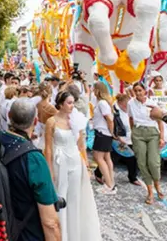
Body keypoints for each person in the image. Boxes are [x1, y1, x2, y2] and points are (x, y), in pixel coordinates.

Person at [0, 98, 61, 241]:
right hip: (25, 232)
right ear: (35, 121)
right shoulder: (34, 159)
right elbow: (50, 222)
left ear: (9, 116)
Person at [44, 91, 102, 241]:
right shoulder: (51, 121)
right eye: (69, 103)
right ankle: (61, 234)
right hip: (59, 160)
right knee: (61, 194)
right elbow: (48, 148)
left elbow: (81, 145)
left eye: (73, 102)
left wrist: (87, 166)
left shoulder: (76, 119)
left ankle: (74, 234)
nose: (72, 106)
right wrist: (49, 169)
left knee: (75, 197)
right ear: (61, 104)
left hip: (75, 160)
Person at [129, 82, 165, 204]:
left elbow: (160, 121)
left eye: (140, 90)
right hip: (138, 132)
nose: (138, 93)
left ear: (145, 90)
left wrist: (162, 137)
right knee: (142, 162)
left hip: (152, 132)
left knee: (153, 162)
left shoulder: (152, 104)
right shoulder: (130, 103)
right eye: (136, 90)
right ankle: (150, 192)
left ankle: (157, 184)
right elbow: (130, 118)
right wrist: (133, 132)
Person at [95, 92, 139, 186]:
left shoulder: (129, 110)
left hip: (129, 138)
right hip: (117, 138)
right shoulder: (114, 110)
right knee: (113, 158)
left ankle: (133, 177)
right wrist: (117, 137)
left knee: (132, 158)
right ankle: (98, 173)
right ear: (121, 104)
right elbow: (112, 124)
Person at [91, 81, 117, 193]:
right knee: (106, 158)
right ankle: (111, 182)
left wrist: (111, 133)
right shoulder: (104, 102)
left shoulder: (102, 103)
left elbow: (109, 119)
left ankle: (109, 184)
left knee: (98, 157)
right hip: (105, 133)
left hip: (103, 133)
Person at [35, 82, 58, 149]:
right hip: (50, 137)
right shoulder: (51, 108)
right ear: (50, 93)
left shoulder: (37, 105)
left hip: (41, 136)